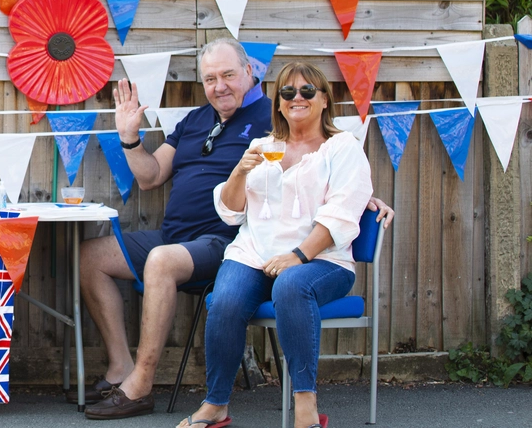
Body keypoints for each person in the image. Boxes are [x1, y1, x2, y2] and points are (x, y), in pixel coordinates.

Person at [174, 61, 393, 428]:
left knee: (292, 285)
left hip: (322, 261)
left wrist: (298, 256)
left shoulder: (342, 148)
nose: (297, 98)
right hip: (255, 254)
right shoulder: (262, 147)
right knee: (224, 299)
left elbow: (339, 216)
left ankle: (305, 405)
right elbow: (231, 212)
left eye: (308, 91)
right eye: (288, 92)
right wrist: (239, 173)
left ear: (325, 100)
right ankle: (216, 405)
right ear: (278, 104)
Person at [83, 38, 273, 419]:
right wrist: (129, 137)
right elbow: (151, 176)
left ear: (249, 72)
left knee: (161, 261)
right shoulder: (196, 120)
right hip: (176, 237)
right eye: (210, 79)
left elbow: (323, 156)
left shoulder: (275, 117)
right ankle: (121, 366)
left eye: (228, 75)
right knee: (90, 256)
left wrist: (362, 196)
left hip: (230, 243)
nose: (219, 86)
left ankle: (141, 385)